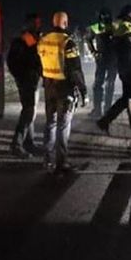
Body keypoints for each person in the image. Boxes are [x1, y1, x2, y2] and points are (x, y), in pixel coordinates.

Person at [38, 11, 87, 173]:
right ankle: (62, 162)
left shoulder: (43, 40)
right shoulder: (68, 42)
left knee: (50, 124)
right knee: (63, 126)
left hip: (49, 88)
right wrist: (83, 91)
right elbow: (75, 70)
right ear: (65, 23)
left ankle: (47, 159)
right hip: (65, 89)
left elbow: (40, 65)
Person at [96, 4, 131, 139]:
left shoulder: (119, 26)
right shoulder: (127, 27)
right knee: (130, 98)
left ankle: (106, 122)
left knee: (128, 98)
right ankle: (107, 122)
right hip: (130, 69)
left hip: (124, 68)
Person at [7, 13, 43, 158]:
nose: (38, 25)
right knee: (28, 112)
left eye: (38, 23)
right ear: (28, 24)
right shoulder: (25, 40)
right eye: (35, 23)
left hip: (32, 79)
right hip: (27, 80)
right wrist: (22, 77)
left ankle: (29, 143)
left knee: (30, 111)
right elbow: (15, 62)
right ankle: (16, 144)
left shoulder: (32, 39)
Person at [86, 8, 115, 118]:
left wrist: (94, 52)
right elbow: (88, 39)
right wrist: (94, 52)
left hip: (108, 59)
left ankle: (103, 110)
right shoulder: (111, 27)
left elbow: (88, 39)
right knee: (102, 84)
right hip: (106, 59)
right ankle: (101, 110)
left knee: (104, 84)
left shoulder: (110, 27)